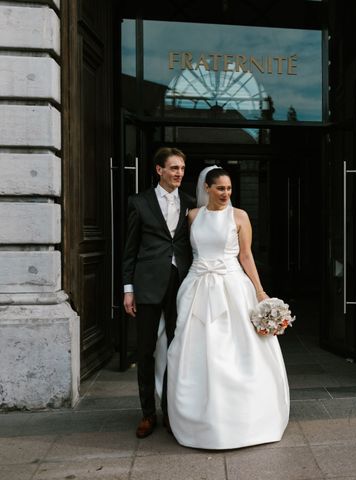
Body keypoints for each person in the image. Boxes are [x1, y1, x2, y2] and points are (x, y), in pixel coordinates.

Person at [167, 166, 289, 449]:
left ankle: (247, 418)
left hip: (233, 287)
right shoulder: (193, 216)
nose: (226, 193)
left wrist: (259, 291)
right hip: (197, 287)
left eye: (229, 189)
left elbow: (246, 256)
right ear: (206, 188)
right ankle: (197, 419)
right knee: (195, 351)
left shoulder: (240, 217)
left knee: (238, 349)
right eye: (220, 188)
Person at [122, 147, 196, 439]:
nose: (179, 173)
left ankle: (170, 411)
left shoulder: (191, 204)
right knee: (145, 350)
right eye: (174, 168)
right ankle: (147, 414)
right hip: (148, 285)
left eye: (181, 168)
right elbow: (129, 249)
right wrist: (129, 289)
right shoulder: (139, 203)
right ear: (159, 170)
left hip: (181, 285)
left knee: (178, 350)